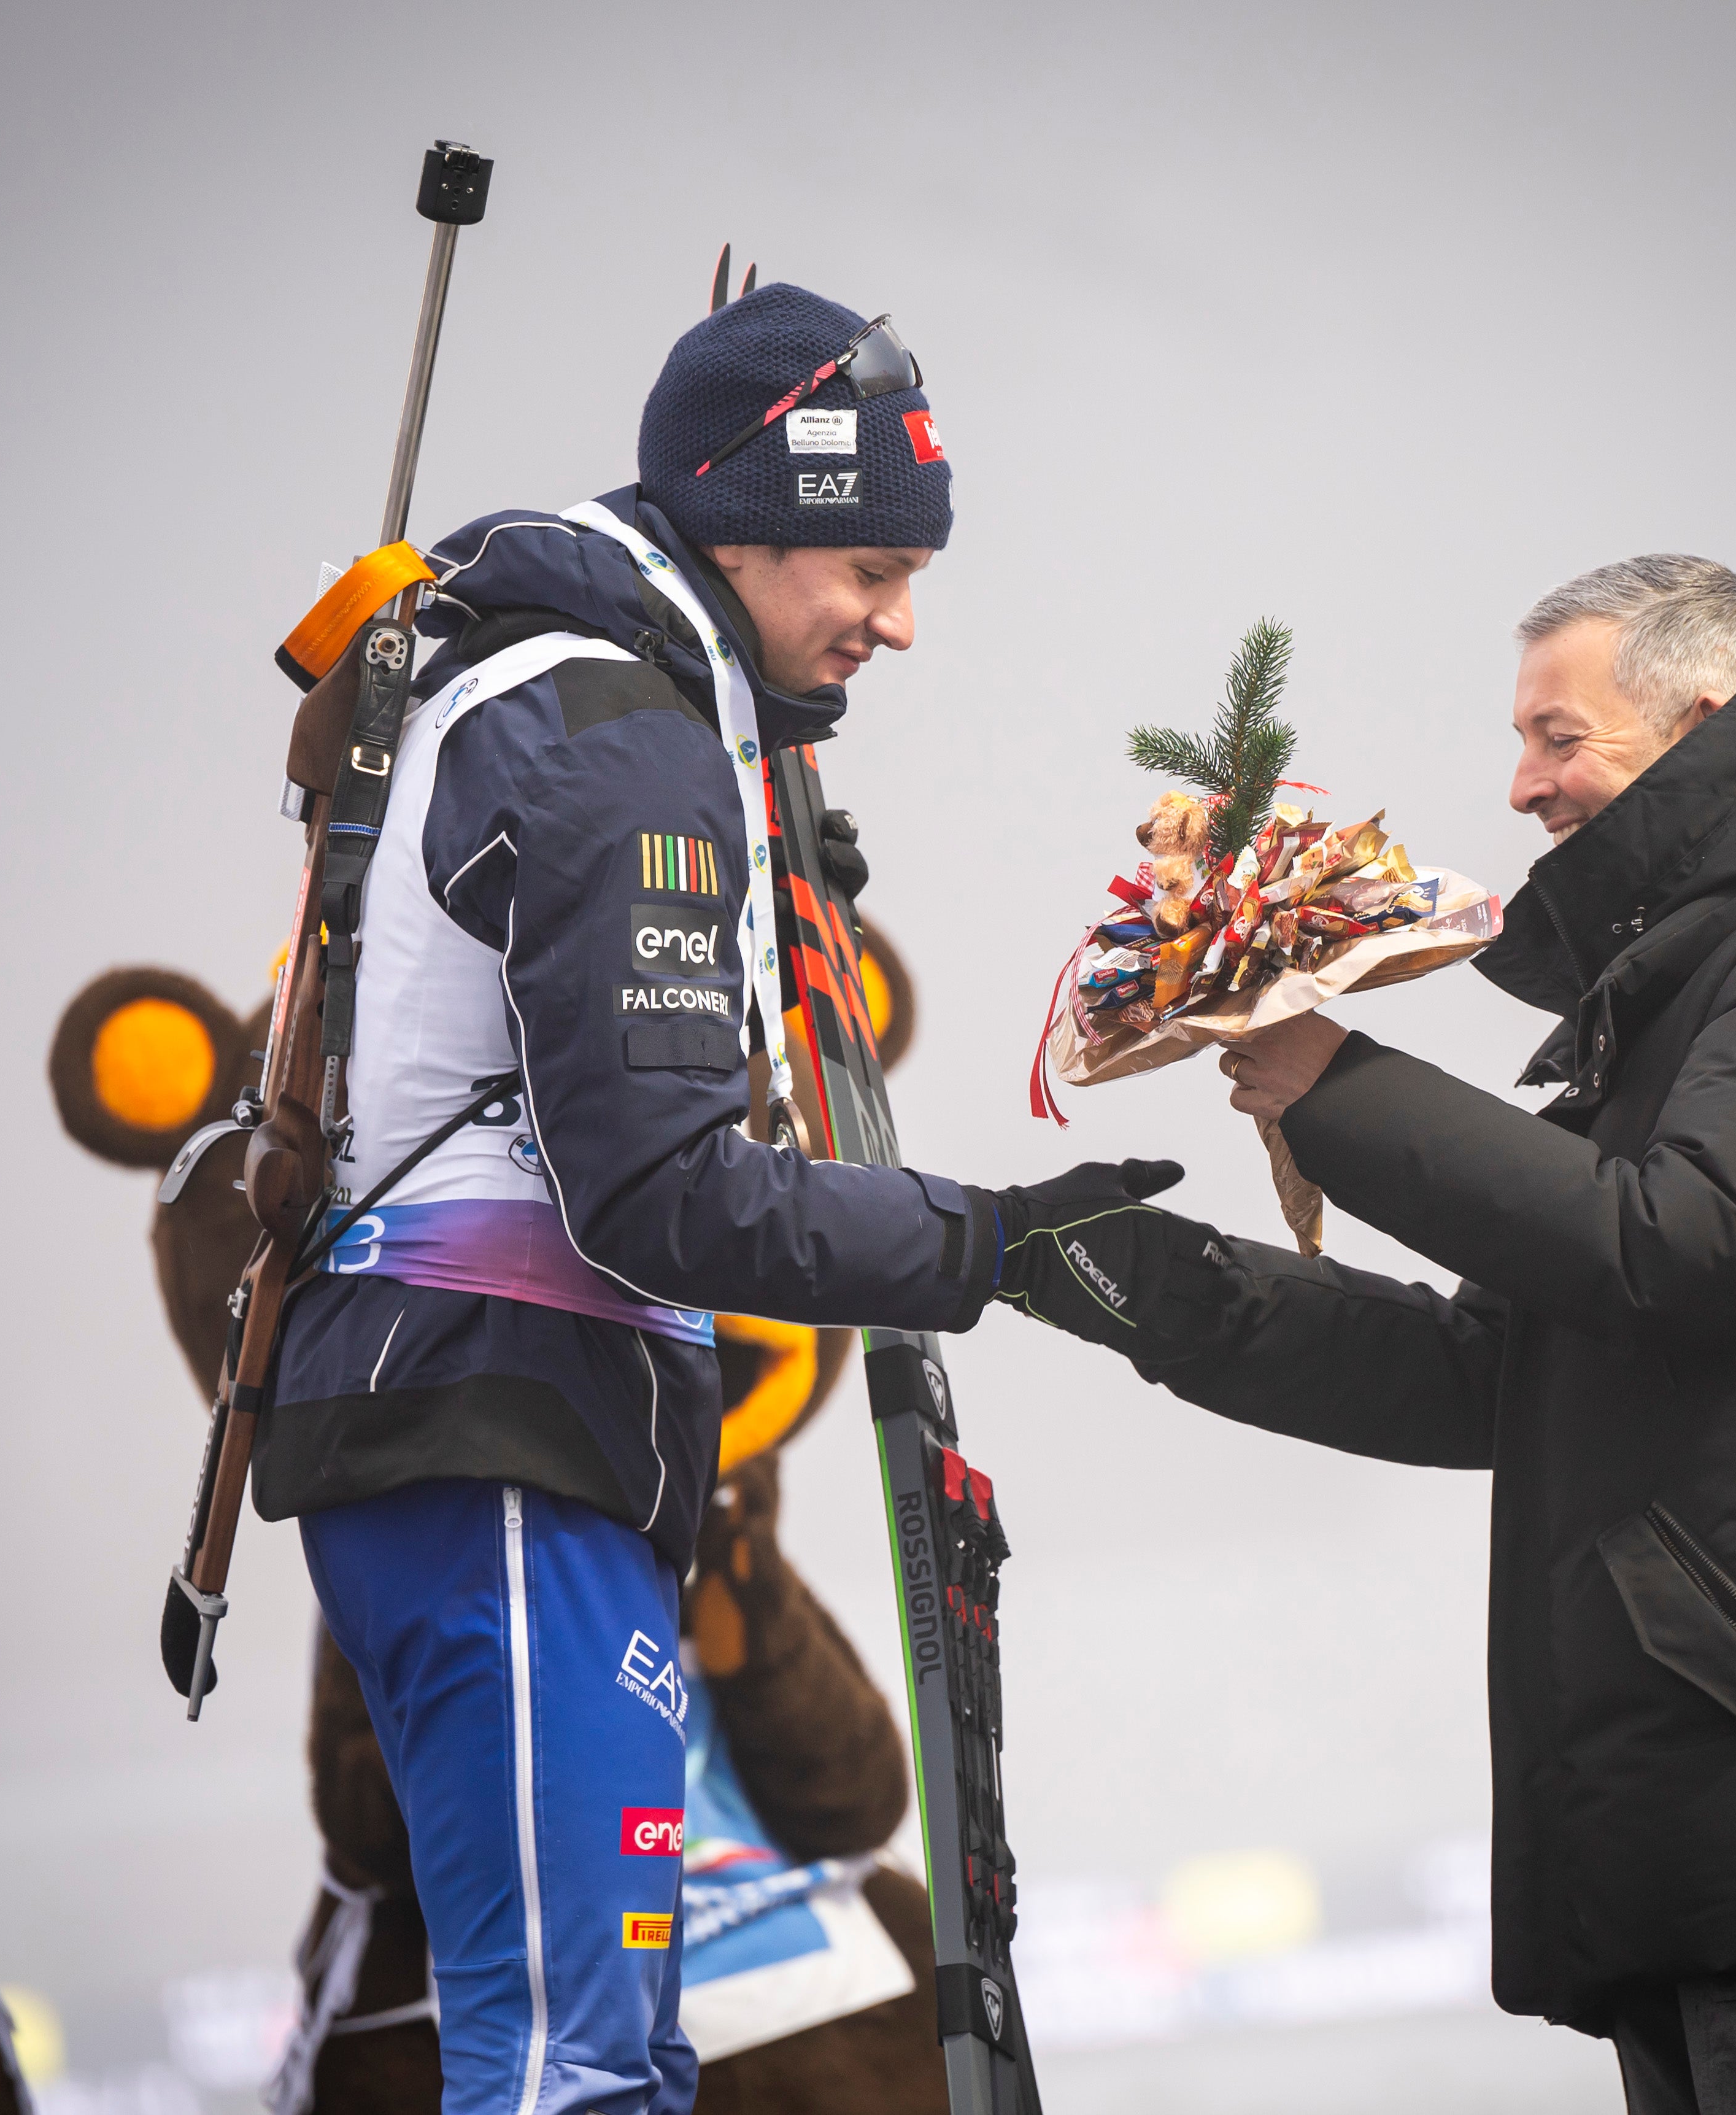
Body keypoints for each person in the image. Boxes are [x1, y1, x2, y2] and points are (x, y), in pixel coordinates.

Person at [250, 280, 1122, 2115]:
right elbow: (659, 1190)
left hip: (511, 1430)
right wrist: (992, 1241)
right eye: (870, 567)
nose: (898, 621)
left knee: (626, 2056)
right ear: (742, 527)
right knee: (571, 2061)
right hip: (495, 1424)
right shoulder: (619, 732)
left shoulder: (609, 701)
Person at [1003, 558, 1736, 2114]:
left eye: (1558, 736)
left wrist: (1336, 1085)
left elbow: (1671, 1242)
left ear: (1703, 720)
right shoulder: (1681, 996)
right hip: (1693, 1757)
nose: (1523, 785)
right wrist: (1133, 1277)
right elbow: (1487, 1369)